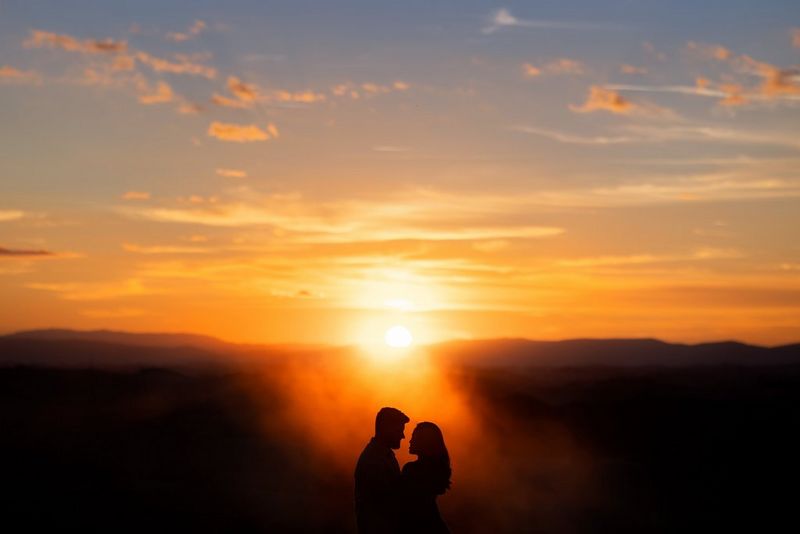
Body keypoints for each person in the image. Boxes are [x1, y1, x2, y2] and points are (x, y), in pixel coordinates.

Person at [354, 407, 410, 534]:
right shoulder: (373, 460)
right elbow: (387, 505)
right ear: (386, 428)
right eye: (399, 430)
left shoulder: (385, 455)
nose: (403, 436)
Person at [401, 422, 452, 533]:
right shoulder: (434, 471)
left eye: (413, 437)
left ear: (424, 441)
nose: (409, 441)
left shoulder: (411, 470)